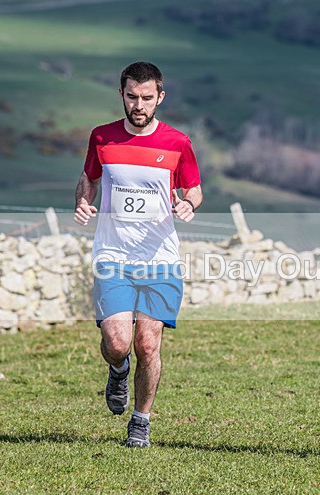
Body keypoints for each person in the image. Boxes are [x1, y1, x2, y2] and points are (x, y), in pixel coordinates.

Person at [74, 61, 203, 448]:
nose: (139, 105)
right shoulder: (102, 138)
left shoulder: (177, 142)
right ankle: (118, 370)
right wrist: (83, 201)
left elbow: (194, 189)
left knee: (148, 344)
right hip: (113, 255)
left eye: (147, 98)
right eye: (132, 97)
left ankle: (141, 421)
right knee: (117, 343)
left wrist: (188, 205)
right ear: (122, 95)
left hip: (160, 258)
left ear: (160, 97)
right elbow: (89, 179)